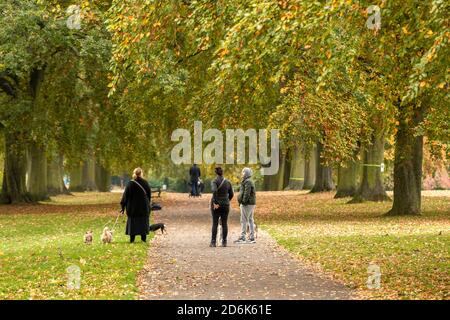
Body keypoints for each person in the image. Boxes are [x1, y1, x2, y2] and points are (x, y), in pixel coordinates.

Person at [120, 168, 151, 243]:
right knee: (143, 222)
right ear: (141, 174)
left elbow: (125, 196)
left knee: (133, 223)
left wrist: (123, 207)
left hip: (132, 208)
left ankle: (132, 239)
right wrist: (148, 204)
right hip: (143, 208)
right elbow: (149, 195)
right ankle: (143, 239)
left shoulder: (130, 184)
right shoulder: (145, 183)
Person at [210, 167, 234, 247]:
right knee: (224, 223)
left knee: (215, 223)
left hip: (216, 205)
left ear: (216, 173)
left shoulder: (214, 181)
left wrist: (216, 202)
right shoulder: (228, 182)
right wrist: (227, 200)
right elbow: (231, 194)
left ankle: (213, 242)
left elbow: (214, 191)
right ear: (222, 173)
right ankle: (224, 242)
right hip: (225, 205)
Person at [235, 167, 256, 244]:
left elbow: (246, 193)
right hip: (250, 203)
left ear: (246, 173)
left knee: (244, 220)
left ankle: (243, 237)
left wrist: (243, 202)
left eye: (243, 172)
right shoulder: (247, 181)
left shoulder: (248, 182)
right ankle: (252, 237)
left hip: (247, 204)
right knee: (250, 220)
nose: (242, 173)